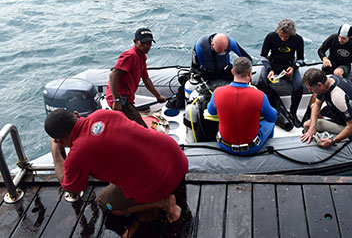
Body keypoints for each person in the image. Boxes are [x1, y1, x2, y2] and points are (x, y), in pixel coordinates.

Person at [45, 108, 189, 223]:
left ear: (60, 141)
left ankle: (163, 203)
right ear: (76, 114)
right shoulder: (102, 113)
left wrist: (55, 152)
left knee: (105, 202)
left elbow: (70, 185)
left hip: (162, 181)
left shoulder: (77, 155)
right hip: (178, 160)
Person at [207, 57, 277, 155]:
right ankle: (268, 154)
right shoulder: (260, 96)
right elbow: (272, 118)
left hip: (224, 144)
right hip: (250, 148)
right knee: (270, 123)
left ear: (232, 72)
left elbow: (211, 112)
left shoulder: (217, 92)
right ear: (249, 73)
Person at [105, 28, 166, 128]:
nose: (146, 46)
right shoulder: (130, 56)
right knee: (141, 128)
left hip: (127, 98)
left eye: (149, 43)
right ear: (135, 42)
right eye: (142, 43)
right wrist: (116, 101)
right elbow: (113, 75)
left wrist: (158, 96)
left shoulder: (141, 57)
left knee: (129, 124)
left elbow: (146, 79)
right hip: (119, 99)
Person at [300, 68, 352, 147]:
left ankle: (306, 144)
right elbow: (317, 104)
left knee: (307, 124)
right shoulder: (329, 80)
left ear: (319, 85)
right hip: (338, 113)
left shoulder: (337, 96)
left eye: (311, 88)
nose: (310, 91)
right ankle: (310, 133)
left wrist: (333, 141)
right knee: (313, 108)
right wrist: (312, 128)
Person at [259, 19, 305, 126]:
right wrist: (270, 69)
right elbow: (263, 56)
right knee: (262, 82)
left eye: (286, 37)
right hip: (273, 65)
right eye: (281, 36)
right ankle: (272, 107)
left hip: (289, 66)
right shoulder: (271, 37)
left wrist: (294, 68)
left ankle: (293, 113)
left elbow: (300, 59)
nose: (283, 39)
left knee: (299, 85)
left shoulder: (298, 39)